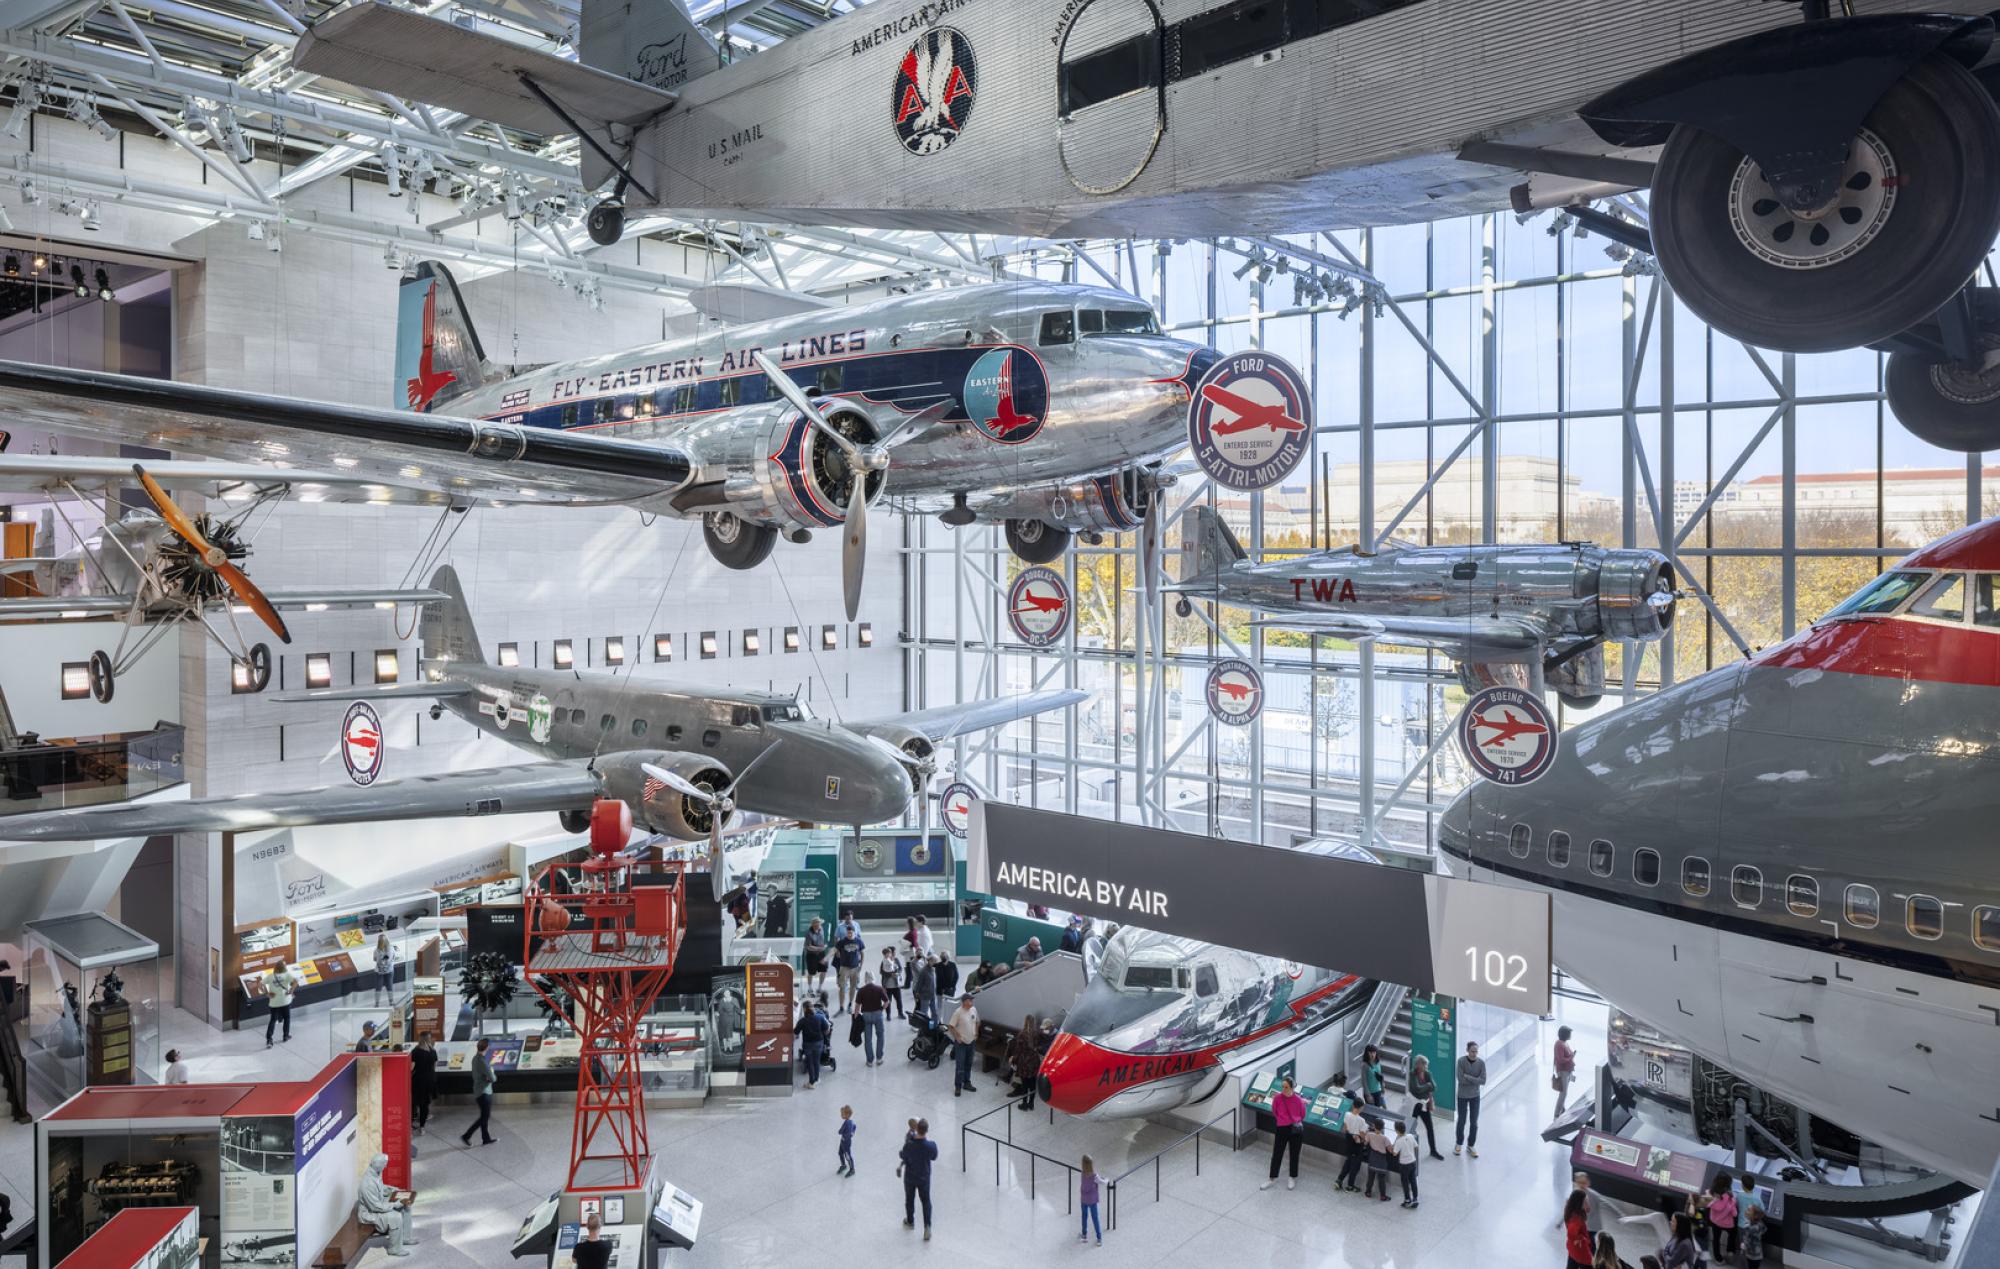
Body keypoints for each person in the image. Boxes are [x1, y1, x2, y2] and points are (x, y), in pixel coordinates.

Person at [357, 1152, 416, 1257]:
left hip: (378, 1203)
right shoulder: (367, 1184)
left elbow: (381, 1188)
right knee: (395, 1216)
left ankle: (405, 1238)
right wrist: (394, 1205)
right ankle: (394, 1249)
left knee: (406, 1204)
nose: (386, 1166)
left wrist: (394, 1191)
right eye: (385, 1164)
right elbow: (374, 1206)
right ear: (379, 1165)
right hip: (369, 1213)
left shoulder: (375, 1173)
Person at [1260, 1076, 1306, 1190]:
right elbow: (1274, 1111)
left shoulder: (1298, 1100)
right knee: (1277, 1153)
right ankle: (1272, 1178)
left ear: (1291, 1087)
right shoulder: (1277, 1098)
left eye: (1286, 1087)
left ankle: (1292, 1177)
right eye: (1283, 1086)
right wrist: (1283, 1120)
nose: (1284, 1089)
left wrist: (1291, 1120)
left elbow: (1302, 1114)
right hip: (1282, 1128)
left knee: (1294, 1154)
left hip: (1295, 1129)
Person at [898, 1118, 938, 1240]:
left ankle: (910, 1221)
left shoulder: (909, 1144)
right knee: (926, 1201)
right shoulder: (931, 1146)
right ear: (926, 1131)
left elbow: (903, 1155)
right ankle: (927, 1227)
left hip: (910, 1177)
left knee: (909, 1199)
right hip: (924, 1178)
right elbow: (934, 1157)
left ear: (916, 1129)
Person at [461, 1037, 496, 1145]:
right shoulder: (482, 1061)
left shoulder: (475, 1058)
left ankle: (486, 1138)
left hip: (479, 1090)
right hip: (484, 1092)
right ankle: (467, 1135)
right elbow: (493, 1078)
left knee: (484, 1116)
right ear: (487, 1047)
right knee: (485, 1116)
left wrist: (487, 1075)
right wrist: (492, 1074)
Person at [1454, 1040, 1487, 1157]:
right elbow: (1460, 1080)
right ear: (1467, 1050)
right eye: (1472, 1051)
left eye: (1476, 1051)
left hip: (1475, 1096)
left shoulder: (1481, 1063)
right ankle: (1458, 1143)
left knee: (1474, 1123)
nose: (1474, 1053)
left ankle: (1471, 1145)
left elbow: (1483, 1081)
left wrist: (1467, 1076)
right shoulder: (1461, 1061)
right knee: (1461, 1121)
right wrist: (1474, 1079)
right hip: (1462, 1096)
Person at [1408, 1054, 1444, 1159]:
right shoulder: (1412, 1073)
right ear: (1419, 1065)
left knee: (1430, 1128)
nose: (1427, 1067)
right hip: (1415, 1105)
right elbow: (1416, 1089)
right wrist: (1428, 1086)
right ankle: (1407, 1149)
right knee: (1411, 1127)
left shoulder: (1427, 1073)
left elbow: (1435, 1087)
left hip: (1424, 1105)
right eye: (1425, 1065)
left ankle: (1433, 1150)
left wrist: (1426, 1087)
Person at [1702, 1172, 1739, 1262]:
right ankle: (1730, 1250)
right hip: (1727, 1223)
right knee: (1733, 1233)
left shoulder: (1710, 1193)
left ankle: (1718, 1259)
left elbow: (1708, 1204)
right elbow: (1734, 1214)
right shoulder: (1729, 1197)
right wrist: (1733, 1201)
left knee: (1716, 1239)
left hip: (1715, 1221)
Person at [947, 996, 979, 1096]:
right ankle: (958, 1086)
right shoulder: (958, 1012)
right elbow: (951, 1026)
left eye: (972, 1000)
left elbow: (978, 1022)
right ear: (964, 1002)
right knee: (960, 1066)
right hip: (961, 1044)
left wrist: (976, 1033)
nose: (972, 1001)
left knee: (968, 1064)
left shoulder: (973, 1009)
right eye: (970, 1000)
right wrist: (957, 1037)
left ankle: (967, 1082)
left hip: (971, 1042)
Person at [1007, 1015, 1041, 1110]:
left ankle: (1024, 1104)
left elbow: (1018, 1050)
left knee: (1025, 1084)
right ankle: (1031, 1104)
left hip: (1024, 1061)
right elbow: (1038, 1046)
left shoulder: (1022, 1034)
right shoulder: (1036, 1033)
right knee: (1033, 1084)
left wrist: (1013, 1058)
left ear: (1025, 1022)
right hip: (1034, 1060)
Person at [833, 913, 865, 1014]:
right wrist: (829, 956)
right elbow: (834, 949)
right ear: (846, 933)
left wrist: (861, 965)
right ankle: (841, 1006)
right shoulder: (842, 942)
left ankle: (850, 1004)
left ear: (854, 933)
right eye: (848, 933)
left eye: (851, 933)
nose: (849, 935)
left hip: (855, 967)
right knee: (842, 987)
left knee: (853, 987)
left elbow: (862, 953)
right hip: (844, 967)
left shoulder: (859, 941)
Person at [795, 995, 829, 1089]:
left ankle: (811, 1082)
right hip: (819, 1043)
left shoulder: (802, 1021)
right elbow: (826, 1030)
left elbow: (796, 1033)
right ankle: (817, 1079)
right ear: (812, 1008)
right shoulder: (820, 1017)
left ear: (804, 1009)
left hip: (807, 1045)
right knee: (816, 1062)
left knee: (810, 1063)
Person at [1336, 1097, 1369, 1192]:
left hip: (1348, 1140)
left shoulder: (1347, 1114)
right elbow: (1362, 1134)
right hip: (1357, 1144)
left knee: (1348, 1160)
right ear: (1360, 1108)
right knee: (1355, 1165)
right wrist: (1363, 1139)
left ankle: (1339, 1180)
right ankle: (1350, 1185)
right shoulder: (1361, 1120)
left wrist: (1351, 1134)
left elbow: (1346, 1128)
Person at [856, 972, 889, 1066]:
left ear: (865, 979)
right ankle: (879, 1059)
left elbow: (857, 1006)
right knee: (880, 1036)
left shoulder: (861, 990)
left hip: (866, 1016)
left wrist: (855, 1018)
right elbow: (887, 1002)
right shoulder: (879, 989)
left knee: (868, 1039)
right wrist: (881, 1009)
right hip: (878, 1014)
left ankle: (870, 1061)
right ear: (873, 978)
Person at [263, 963, 299, 1048]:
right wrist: (291, 991)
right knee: (287, 1018)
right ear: (284, 967)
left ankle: (269, 1039)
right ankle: (285, 1036)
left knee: (273, 1020)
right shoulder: (287, 975)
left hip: (274, 1002)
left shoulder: (271, 976)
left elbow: (260, 984)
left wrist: (266, 993)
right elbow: (296, 981)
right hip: (285, 1001)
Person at [410, 1033, 438, 1135]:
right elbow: (434, 1067)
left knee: (414, 1102)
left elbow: (411, 1068)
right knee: (425, 1105)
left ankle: (411, 1124)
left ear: (420, 1039)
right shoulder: (433, 1051)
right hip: (430, 1080)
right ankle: (422, 1127)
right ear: (429, 1039)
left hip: (418, 1080)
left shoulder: (415, 1051)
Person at [1362, 1120, 1394, 1201]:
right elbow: (1390, 1150)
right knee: (1381, 1179)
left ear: (1374, 1126)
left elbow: (1365, 1143)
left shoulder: (1370, 1134)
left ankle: (1368, 1192)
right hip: (1381, 1159)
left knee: (1370, 1176)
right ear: (1383, 1128)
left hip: (1373, 1156)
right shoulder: (1385, 1138)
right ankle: (1383, 1196)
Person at [1562, 1190, 1593, 1269]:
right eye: (1585, 1201)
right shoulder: (1577, 1218)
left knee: (1571, 1265)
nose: (1587, 1202)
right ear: (1579, 1202)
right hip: (1581, 1250)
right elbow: (1571, 1234)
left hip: (1572, 1246)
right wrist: (1583, 1238)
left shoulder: (1569, 1209)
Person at [1392, 1119, 1420, 1209]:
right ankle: (1415, 1198)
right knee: (1413, 1181)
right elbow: (1416, 1146)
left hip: (1404, 1165)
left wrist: (1393, 1147)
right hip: (1413, 1162)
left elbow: (1394, 1153)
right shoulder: (1411, 1136)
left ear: (1397, 1131)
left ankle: (1407, 1200)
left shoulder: (1398, 1141)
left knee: (1405, 1182)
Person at [1554, 1024, 1578, 1118]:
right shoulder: (1559, 1044)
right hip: (1563, 1071)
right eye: (1569, 1033)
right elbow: (1561, 1059)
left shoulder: (1564, 1043)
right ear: (1565, 1034)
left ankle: (1562, 1109)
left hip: (1567, 1071)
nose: (1570, 1035)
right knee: (1563, 1093)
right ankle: (1557, 1113)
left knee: (1564, 1092)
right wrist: (1571, 1057)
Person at [1078, 1154, 1103, 1245]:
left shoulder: (1082, 1173)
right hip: (1092, 1200)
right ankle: (1099, 1237)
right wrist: (1107, 1180)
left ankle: (1084, 1234)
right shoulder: (1095, 1176)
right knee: (1095, 1217)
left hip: (1084, 1199)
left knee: (1084, 1217)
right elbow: (1101, 1182)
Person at [803, 919, 829, 997]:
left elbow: (823, 940)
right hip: (811, 955)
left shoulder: (821, 929)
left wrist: (823, 946)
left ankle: (820, 988)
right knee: (811, 972)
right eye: (818, 923)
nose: (820, 925)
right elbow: (808, 946)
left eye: (820, 923)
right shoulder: (808, 933)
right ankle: (810, 988)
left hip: (821, 953)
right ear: (814, 924)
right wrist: (819, 948)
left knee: (824, 970)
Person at [879, 947, 905, 1018]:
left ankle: (900, 1013)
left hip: (896, 985)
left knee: (899, 1000)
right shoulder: (884, 961)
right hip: (887, 986)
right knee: (888, 1001)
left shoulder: (896, 960)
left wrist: (897, 973)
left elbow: (900, 968)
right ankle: (888, 1015)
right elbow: (881, 972)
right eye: (893, 952)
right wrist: (891, 974)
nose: (894, 953)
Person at [1741, 1202, 1767, 1269]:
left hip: (1751, 1255)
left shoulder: (1749, 1228)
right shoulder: (1760, 1223)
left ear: (1755, 1215)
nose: (1746, 1211)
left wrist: (1744, 1245)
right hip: (1758, 1253)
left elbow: (1746, 1240)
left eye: (1749, 1210)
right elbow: (1764, 1229)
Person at [914, 955, 940, 1022]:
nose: (935, 963)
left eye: (936, 961)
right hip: (925, 996)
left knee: (935, 1013)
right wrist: (917, 994)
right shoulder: (924, 971)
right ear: (929, 961)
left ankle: (933, 1027)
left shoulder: (934, 969)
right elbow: (919, 983)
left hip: (933, 995)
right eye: (934, 961)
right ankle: (924, 1028)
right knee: (924, 1013)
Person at [373, 933, 394, 1005]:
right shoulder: (391, 949)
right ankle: (391, 1002)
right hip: (389, 970)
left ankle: (377, 1003)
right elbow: (393, 958)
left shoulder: (376, 950)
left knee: (378, 986)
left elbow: (375, 959)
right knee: (389, 986)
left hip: (379, 971)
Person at [837, 1104, 856, 1178]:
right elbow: (854, 1126)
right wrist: (852, 1133)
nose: (841, 1115)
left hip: (846, 1143)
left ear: (847, 1115)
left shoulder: (846, 1123)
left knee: (847, 1156)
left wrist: (850, 1134)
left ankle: (852, 1169)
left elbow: (840, 1131)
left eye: (842, 1114)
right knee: (840, 1153)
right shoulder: (850, 1122)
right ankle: (843, 1165)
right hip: (843, 1141)